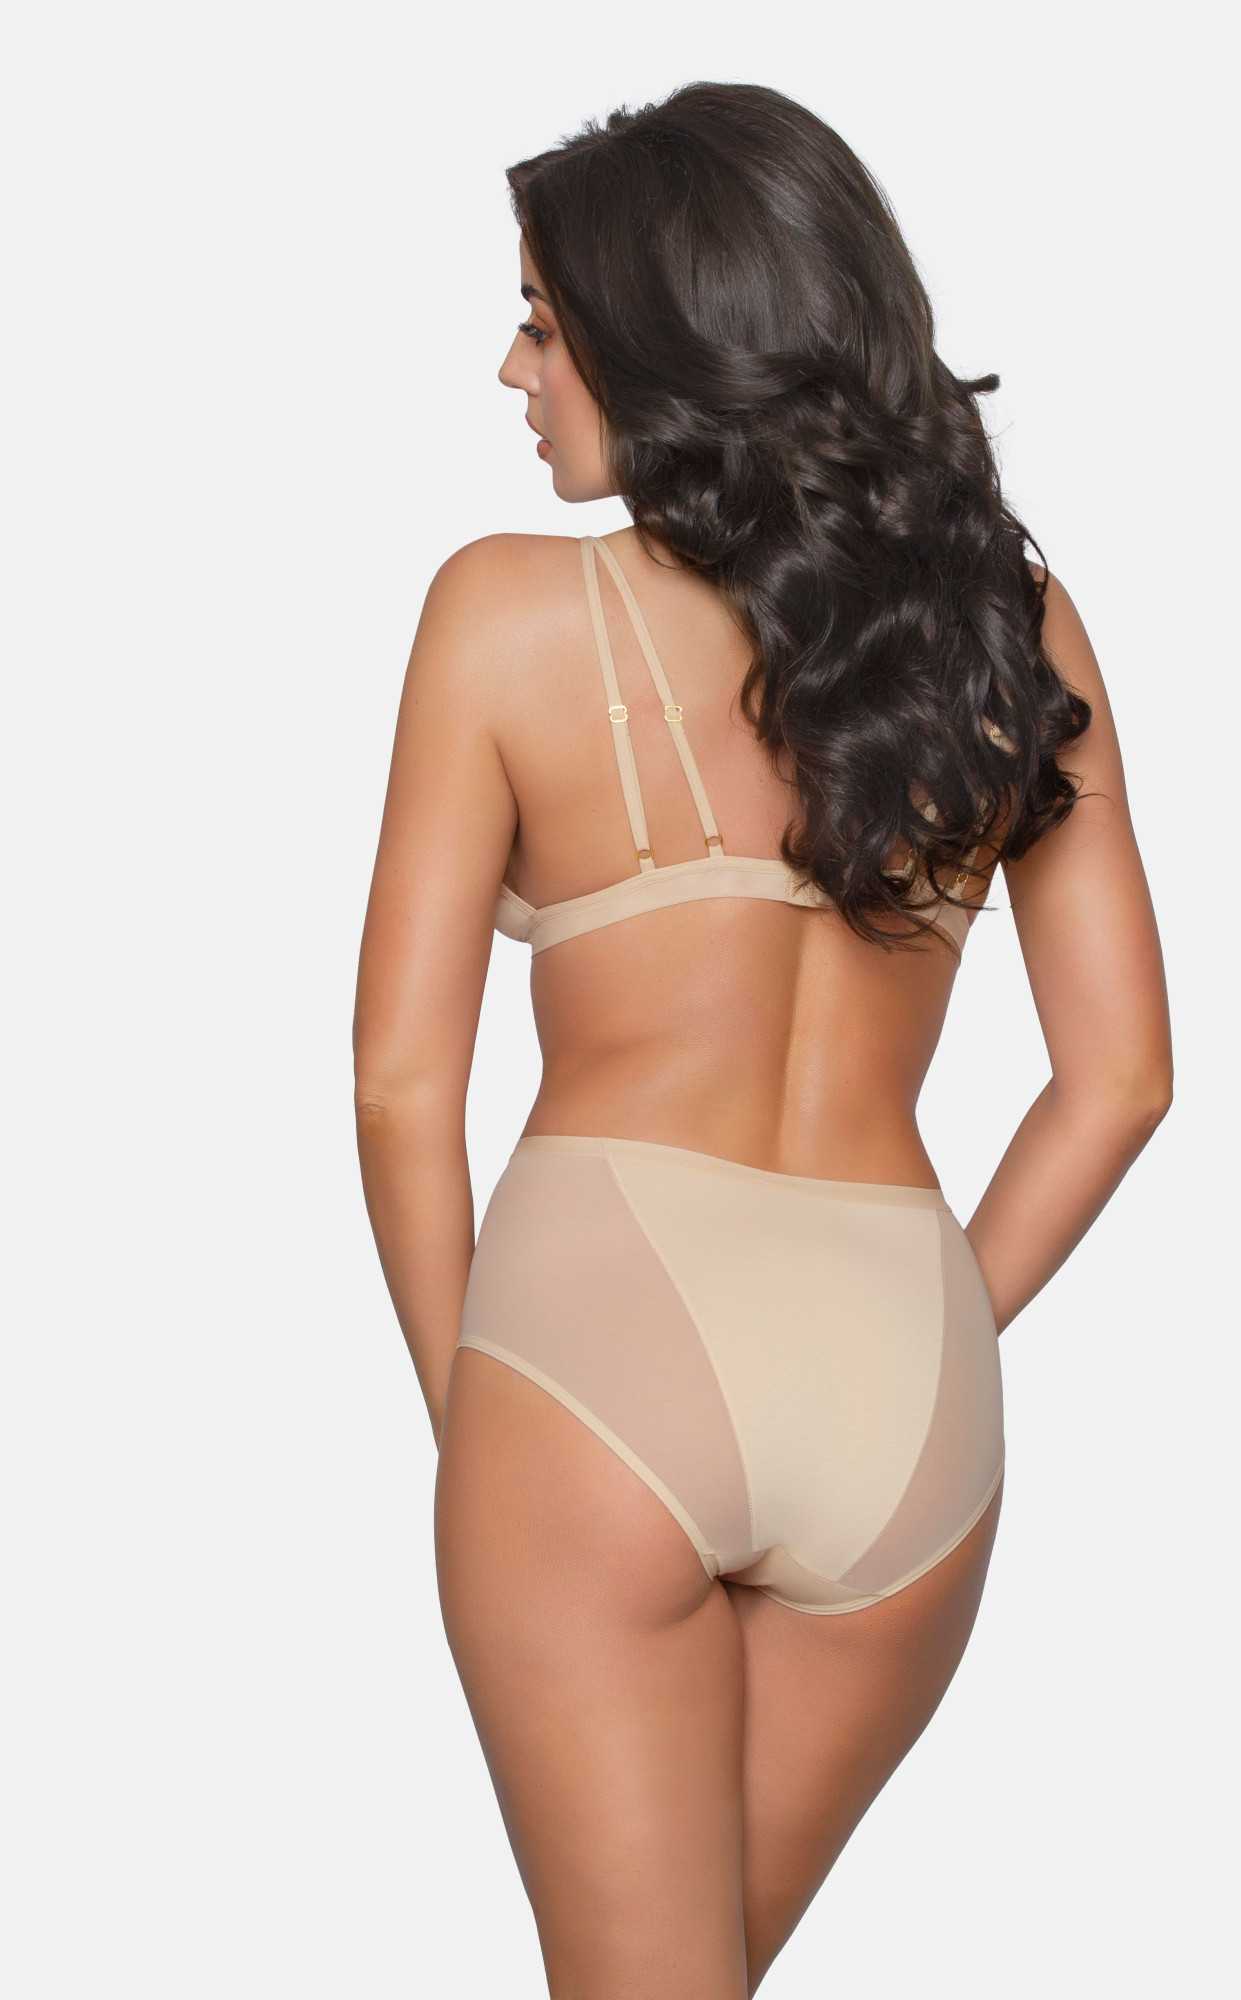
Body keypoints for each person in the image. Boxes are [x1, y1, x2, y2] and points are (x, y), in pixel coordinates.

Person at [353, 80, 1172, 2000]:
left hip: (596, 1351)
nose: (510, 369)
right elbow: (1122, 1078)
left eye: (541, 323)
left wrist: (482, 1422)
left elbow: (399, 1082)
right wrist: (931, 1322)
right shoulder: (1008, 628)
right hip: (906, 1384)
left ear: (668, 335)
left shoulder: (500, 609)